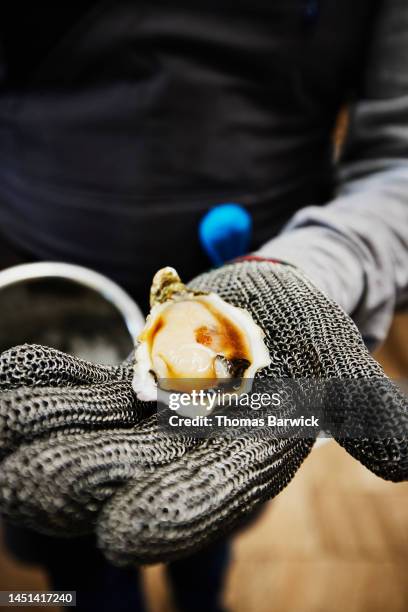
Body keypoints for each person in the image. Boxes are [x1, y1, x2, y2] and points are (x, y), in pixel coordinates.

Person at [0, 1, 407, 610]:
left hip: (274, 257)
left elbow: (397, 161)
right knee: (67, 513)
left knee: (215, 501)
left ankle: (204, 591)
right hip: (38, 286)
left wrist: (314, 267)